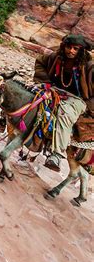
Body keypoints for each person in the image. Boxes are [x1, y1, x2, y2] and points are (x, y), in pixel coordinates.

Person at [34, 34, 93, 171]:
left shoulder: (90, 67)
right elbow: (40, 63)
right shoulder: (55, 57)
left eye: (75, 49)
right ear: (64, 46)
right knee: (32, 96)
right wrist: (45, 83)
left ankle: (57, 154)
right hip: (54, 90)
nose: (71, 51)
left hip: (78, 99)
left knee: (65, 113)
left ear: (81, 51)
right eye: (68, 47)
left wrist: (89, 106)